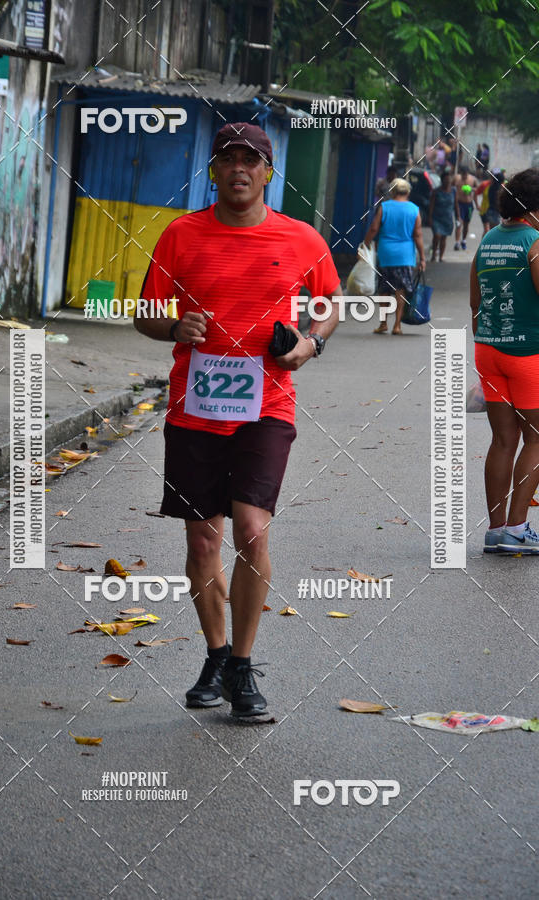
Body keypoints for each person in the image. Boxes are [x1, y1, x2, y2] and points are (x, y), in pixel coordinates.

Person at [135, 122, 341, 715]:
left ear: (268, 172)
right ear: (214, 170)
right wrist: (174, 327)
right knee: (203, 539)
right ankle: (217, 654)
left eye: (251, 159)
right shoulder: (180, 234)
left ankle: (243, 669)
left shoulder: (301, 238)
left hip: (267, 405)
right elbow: (145, 311)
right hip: (194, 407)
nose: (239, 168)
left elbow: (327, 308)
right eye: (228, 158)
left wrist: (309, 344)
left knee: (251, 528)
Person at [470, 168, 539, 553]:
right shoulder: (535, 242)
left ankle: (497, 531)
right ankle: (517, 529)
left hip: (489, 349)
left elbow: (475, 302)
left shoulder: (489, 240)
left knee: (503, 440)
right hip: (530, 352)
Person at [364, 177, 426, 334]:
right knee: (401, 289)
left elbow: (373, 228)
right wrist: (423, 258)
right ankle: (397, 325)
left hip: (386, 255)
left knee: (384, 289)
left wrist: (365, 244)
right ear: (408, 192)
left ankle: (383, 323)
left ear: (392, 191)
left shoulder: (384, 207)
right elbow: (418, 235)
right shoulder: (414, 209)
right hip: (405, 256)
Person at [429, 172, 459, 261]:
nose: (447, 182)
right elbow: (431, 205)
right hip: (437, 218)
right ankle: (434, 254)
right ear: (442, 181)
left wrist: (458, 216)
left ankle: (441, 257)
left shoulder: (453, 191)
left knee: (444, 237)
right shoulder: (436, 191)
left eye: (449, 180)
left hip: (448, 218)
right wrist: (430, 217)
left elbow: (456, 204)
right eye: (446, 180)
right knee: (437, 236)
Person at [454, 166, 477, 250]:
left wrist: (471, 189)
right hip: (460, 204)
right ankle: (457, 242)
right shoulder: (457, 179)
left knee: (466, 224)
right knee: (459, 223)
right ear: (461, 174)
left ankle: (463, 240)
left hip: (469, 204)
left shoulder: (472, 179)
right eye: (463, 175)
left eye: (466, 175)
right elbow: (451, 186)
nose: (464, 177)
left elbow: (477, 189)